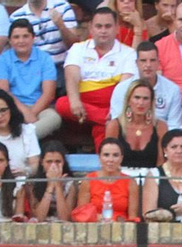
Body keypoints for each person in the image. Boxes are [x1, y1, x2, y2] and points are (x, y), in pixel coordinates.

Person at [58, 6, 135, 149]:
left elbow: (124, 88)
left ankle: (104, 160)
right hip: (82, 105)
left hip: (111, 104)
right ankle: (105, 119)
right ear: (91, 28)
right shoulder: (78, 49)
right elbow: (72, 77)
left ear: (117, 28)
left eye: (108, 26)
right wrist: (74, 101)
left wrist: (113, 111)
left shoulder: (128, 53)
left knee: (101, 128)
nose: (103, 30)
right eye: (98, 26)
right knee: (62, 104)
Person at [0, 18, 61, 138]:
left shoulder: (44, 58)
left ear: (33, 38)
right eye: (16, 37)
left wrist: (31, 113)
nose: (21, 41)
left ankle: (20, 139)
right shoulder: (3, 60)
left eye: (25, 36)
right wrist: (24, 112)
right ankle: (27, 139)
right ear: (10, 40)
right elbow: (3, 92)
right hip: (12, 107)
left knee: (54, 118)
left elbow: (49, 94)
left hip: (39, 108)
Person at [103, 77, 165, 172]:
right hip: (121, 179)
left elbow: (161, 161)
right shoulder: (114, 125)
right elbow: (109, 161)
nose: (141, 103)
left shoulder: (160, 126)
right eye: (137, 97)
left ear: (151, 102)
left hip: (151, 179)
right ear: (128, 100)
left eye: (145, 98)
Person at [0, 85, 39, 175]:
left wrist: (25, 172)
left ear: (11, 109)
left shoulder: (27, 131)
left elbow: (35, 163)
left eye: (3, 110)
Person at [78, 135, 138, 220]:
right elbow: (82, 214)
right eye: (106, 155)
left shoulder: (130, 182)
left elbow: (133, 217)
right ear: (99, 157)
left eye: (115, 155)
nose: (111, 159)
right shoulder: (88, 180)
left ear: (121, 158)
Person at [10, 0, 76, 66]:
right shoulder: (16, 17)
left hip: (61, 65)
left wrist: (60, 25)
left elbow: (73, 45)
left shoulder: (62, 6)